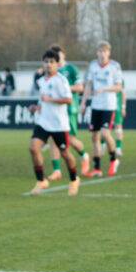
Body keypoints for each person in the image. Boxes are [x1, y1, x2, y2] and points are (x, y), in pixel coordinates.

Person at [27, 50, 79, 196]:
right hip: (43, 122)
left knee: (65, 154)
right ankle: (41, 180)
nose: (48, 65)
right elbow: (42, 101)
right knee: (33, 148)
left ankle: (74, 180)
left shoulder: (61, 80)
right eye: (46, 62)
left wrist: (50, 100)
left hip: (59, 124)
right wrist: (35, 108)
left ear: (57, 64)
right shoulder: (42, 80)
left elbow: (68, 99)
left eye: (51, 62)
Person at [47, 45, 90, 180]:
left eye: (58, 54)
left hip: (70, 109)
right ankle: (57, 170)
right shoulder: (51, 71)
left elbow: (80, 87)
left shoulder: (71, 69)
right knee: (53, 139)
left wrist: (65, 88)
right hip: (55, 109)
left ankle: (84, 156)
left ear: (63, 55)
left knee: (69, 139)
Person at [82, 40, 122, 177]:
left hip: (108, 106)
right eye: (100, 51)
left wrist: (104, 88)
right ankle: (97, 167)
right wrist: (83, 103)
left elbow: (119, 87)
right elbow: (88, 84)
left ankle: (113, 159)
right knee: (94, 136)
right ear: (97, 53)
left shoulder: (115, 66)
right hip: (95, 106)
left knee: (105, 134)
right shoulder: (93, 66)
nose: (102, 54)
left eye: (105, 52)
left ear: (109, 53)